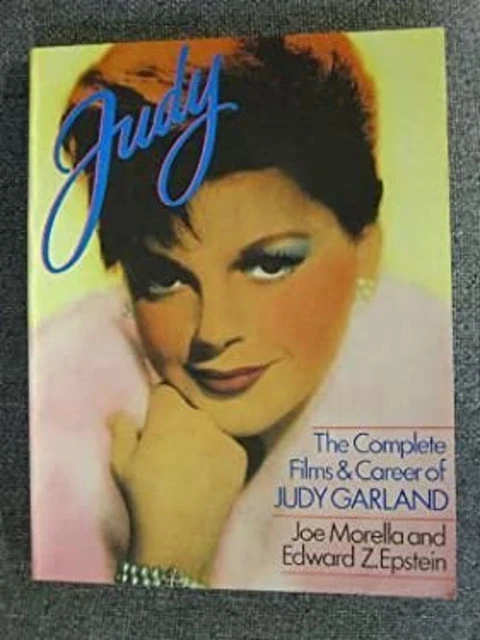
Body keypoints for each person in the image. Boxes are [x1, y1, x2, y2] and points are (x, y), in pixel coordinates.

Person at [30, 34, 454, 589]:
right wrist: (164, 558)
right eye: (164, 277)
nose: (214, 331)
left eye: (269, 264)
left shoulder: (440, 384)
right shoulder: (60, 394)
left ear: (366, 248)